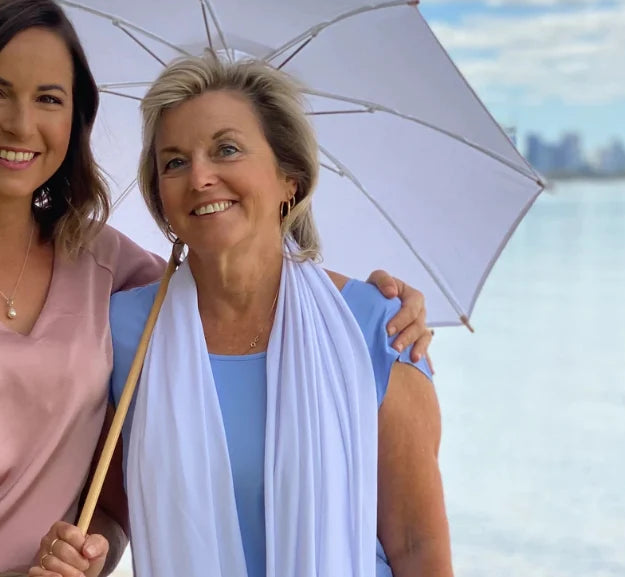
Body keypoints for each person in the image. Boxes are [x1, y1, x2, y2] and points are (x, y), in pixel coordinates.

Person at [0, 0, 434, 577]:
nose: (21, 124)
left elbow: (230, 280)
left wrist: (377, 303)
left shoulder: (110, 271)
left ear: (73, 122)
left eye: (49, 98)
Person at [32, 54, 451, 577]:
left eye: (226, 149)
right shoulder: (125, 334)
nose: (200, 177)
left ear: (289, 178)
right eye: (175, 162)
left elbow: (417, 547)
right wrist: (87, 556)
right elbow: (112, 512)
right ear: (162, 200)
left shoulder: (375, 327)